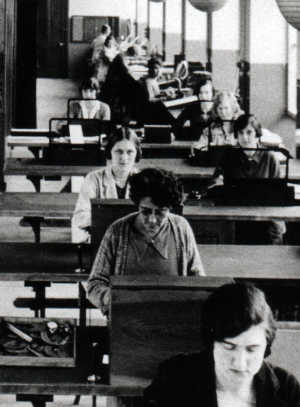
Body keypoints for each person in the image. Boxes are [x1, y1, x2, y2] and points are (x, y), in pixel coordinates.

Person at [144, 282, 300, 407]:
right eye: (229, 347)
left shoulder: (287, 389)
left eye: (252, 349)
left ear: (267, 345)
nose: (240, 363)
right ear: (211, 342)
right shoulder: (174, 378)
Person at [87, 167, 205, 314]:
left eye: (161, 212)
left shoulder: (181, 228)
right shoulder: (117, 231)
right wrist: (116, 300)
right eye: (146, 211)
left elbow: (199, 280)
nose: (152, 220)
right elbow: (94, 284)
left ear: (170, 209)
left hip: (172, 318)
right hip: (127, 318)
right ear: (137, 205)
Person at [213, 113, 286, 244]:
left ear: (257, 134)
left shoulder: (270, 158)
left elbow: (277, 197)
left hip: (265, 217)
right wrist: (218, 183)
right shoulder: (228, 157)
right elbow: (218, 187)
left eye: (249, 132)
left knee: (274, 234)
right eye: (240, 133)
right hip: (237, 216)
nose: (244, 138)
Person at [71, 127, 141, 243]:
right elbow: (80, 217)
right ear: (110, 152)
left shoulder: (143, 179)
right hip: (103, 238)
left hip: (134, 240)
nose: (124, 158)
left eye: (130, 152)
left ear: (137, 153)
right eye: (118, 151)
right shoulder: (93, 179)